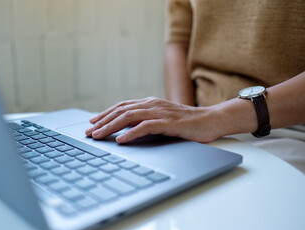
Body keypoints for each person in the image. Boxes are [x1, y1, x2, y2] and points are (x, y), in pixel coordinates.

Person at [85, 0, 305, 173]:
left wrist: (213, 119)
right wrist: (182, 121)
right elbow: (179, 41)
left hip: (286, 127)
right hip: (203, 117)